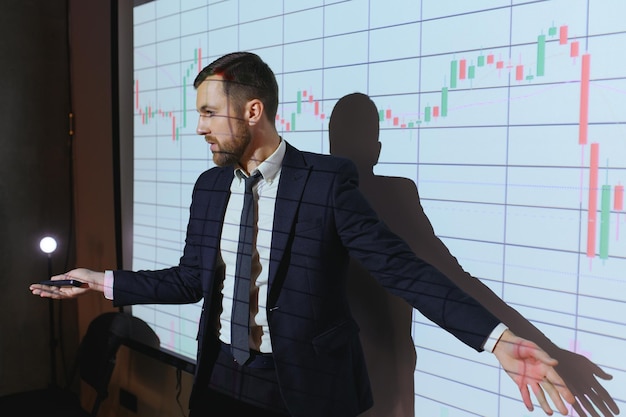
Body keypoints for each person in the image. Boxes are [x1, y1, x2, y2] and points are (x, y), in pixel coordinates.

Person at [30, 51, 575, 417]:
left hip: (302, 390)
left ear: (253, 110)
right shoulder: (209, 186)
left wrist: (497, 339)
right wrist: (102, 282)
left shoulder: (329, 182)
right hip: (218, 380)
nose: (199, 127)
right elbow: (191, 279)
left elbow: (400, 269)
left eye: (209, 113)